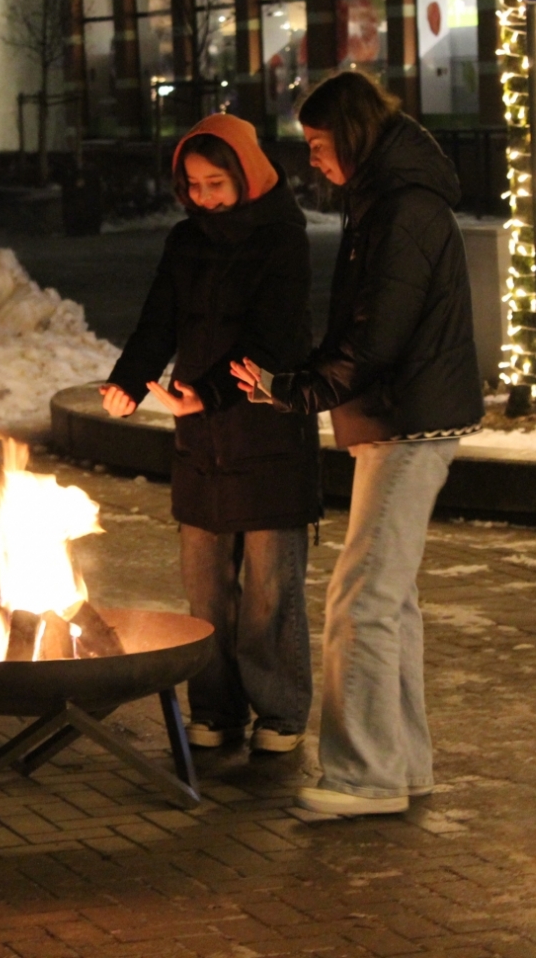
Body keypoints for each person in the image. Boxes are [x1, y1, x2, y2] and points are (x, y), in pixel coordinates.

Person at [228, 71, 482, 817]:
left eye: (318, 143)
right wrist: (301, 380)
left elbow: (376, 336)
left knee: (361, 599)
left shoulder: (401, 209)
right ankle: (401, 765)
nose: (313, 159)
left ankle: (365, 775)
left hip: (410, 420)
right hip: (397, 418)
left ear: (354, 135)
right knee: (388, 601)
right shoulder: (386, 200)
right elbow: (363, 327)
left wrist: (297, 390)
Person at [101, 113, 321, 754]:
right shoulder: (185, 241)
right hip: (201, 441)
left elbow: (276, 338)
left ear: (248, 174)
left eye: (217, 183)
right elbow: (158, 321)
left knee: (269, 591)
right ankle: (216, 708)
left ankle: (279, 711)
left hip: (268, 435)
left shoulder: (282, 240)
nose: (204, 197)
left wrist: (214, 393)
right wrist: (130, 380)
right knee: (204, 590)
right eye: (194, 185)